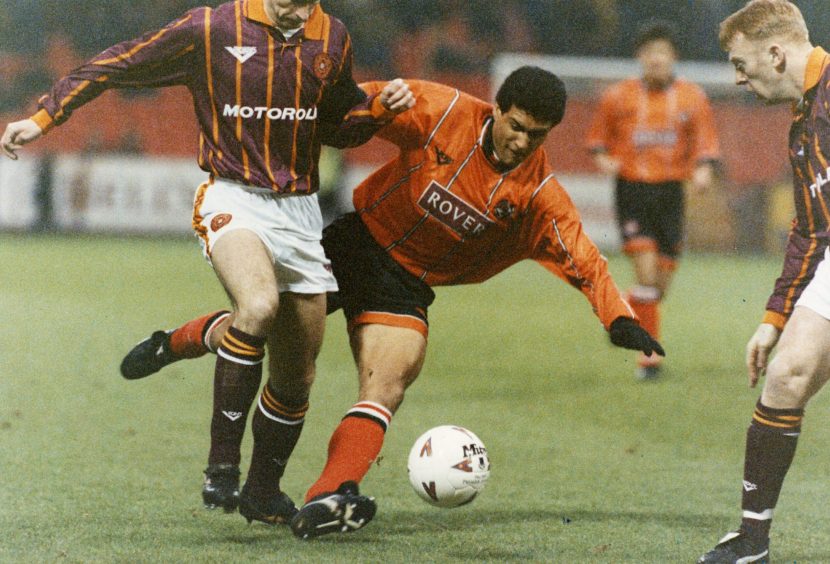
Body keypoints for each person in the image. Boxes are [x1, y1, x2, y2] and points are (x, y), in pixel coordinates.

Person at [120, 65, 665, 539]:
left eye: (536, 135)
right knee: (261, 331)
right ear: (496, 109)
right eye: (515, 126)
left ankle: (327, 497)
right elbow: (362, 105)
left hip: (404, 287)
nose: (522, 142)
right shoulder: (446, 110)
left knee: (389, 383)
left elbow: (584, 257)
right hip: (352, 247)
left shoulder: (539, 196)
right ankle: (173, 343)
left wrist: (618, 318)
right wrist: (353, 101)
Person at [0, 0, 414, 527]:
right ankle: (221, 466)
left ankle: (261, 491)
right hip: (233, 197)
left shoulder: (331, 37)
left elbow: (337, 125)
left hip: (301, 213)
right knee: (258, 305)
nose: (297, 7)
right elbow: (116, 62)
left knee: (296, 378)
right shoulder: (213, 27)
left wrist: (379, 111)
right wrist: (43, 117)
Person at [697, 2, 830, 563]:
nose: (736, 78)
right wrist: (772, 318)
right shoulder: (804, 126)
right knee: (784, 378)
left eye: (740, 64)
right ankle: (752, 543)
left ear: (775, 53)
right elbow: (810, 231)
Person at [585, 21, 720, 379]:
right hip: (633, 191)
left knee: (657, 289)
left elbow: (705, 142)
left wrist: (704, 168)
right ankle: (649, 359)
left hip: (671, 194)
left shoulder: (693, 97)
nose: (656, 60)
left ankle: (619, 314)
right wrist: (604, 160)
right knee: (645, 276)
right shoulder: (617, 96)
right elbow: (598, 140)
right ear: (640, 58)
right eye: (650, 53)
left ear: (673, 57)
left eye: (663, 53)